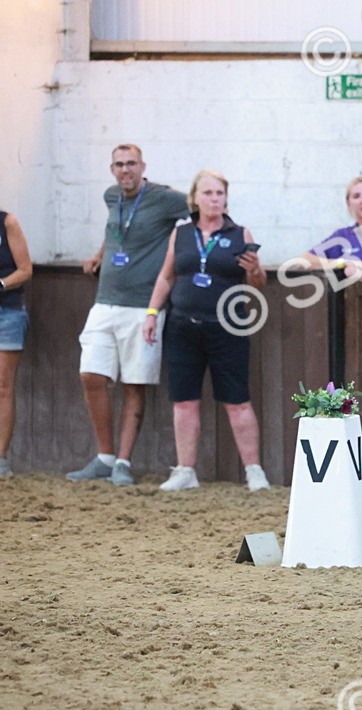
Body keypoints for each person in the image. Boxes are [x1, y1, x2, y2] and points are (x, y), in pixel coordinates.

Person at [69, 144, 191, 486]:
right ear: (112, 169)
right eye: (120, 164)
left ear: (143, 166)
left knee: (134, 383)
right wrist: (100, 255)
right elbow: (117, 230)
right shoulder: (111, 196)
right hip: (104, 300)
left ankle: (122, 462)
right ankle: (104, 457)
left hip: (142, 305)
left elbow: (200, 209)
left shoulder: (165, 199)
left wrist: (183, 261)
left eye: (132, 164)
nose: (126, 170)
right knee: (91, 375)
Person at [141, 170, 269, 492]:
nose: (214, 199)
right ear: (195, 198)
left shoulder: (240, 233)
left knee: (237, 401)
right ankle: (185, 470)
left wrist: (255, 269)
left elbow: (257, 284)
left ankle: (254, 471)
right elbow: (166, 276)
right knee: (184, 401)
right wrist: (152, 313)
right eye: (208, 193)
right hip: (183, 326)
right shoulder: (181, 233)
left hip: (227, 328)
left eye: (220, 193)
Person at [0, 210, 33, 478]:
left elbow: (25, 270)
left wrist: (1, 284)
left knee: (3, 386)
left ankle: (0, 458)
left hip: (7, 312)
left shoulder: (7, 222)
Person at [300, 177, 362, 277]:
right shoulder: (343, 236)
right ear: (348, 203)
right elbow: (305, 260)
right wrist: (343, 262)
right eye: (356, 196)